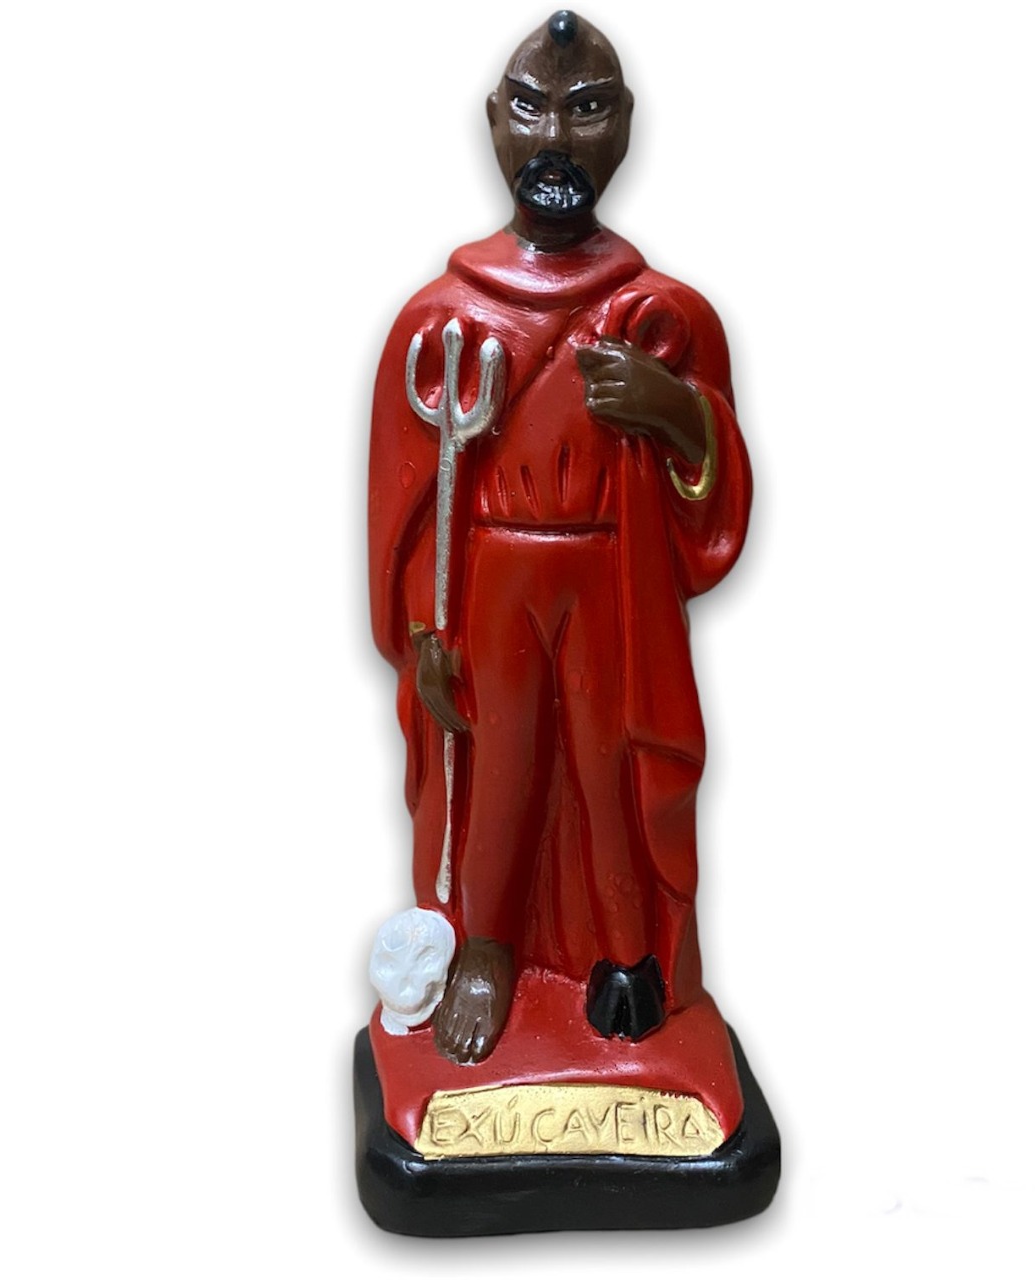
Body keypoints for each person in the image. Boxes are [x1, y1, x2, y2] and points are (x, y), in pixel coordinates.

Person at [368, 10, 752, 1064]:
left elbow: (716, 498)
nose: (555, 138)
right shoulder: (441, 322)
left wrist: (675, 414)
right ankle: (488, 946)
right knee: (500, 756)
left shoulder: (664, 318)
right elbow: (404, 503)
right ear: (494, 121)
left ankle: (627, 955)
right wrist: (424, 633)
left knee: (608, 754)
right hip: (492, 573)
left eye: (585, 111)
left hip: (611, 574)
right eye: (532, 109)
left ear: (623, 126)